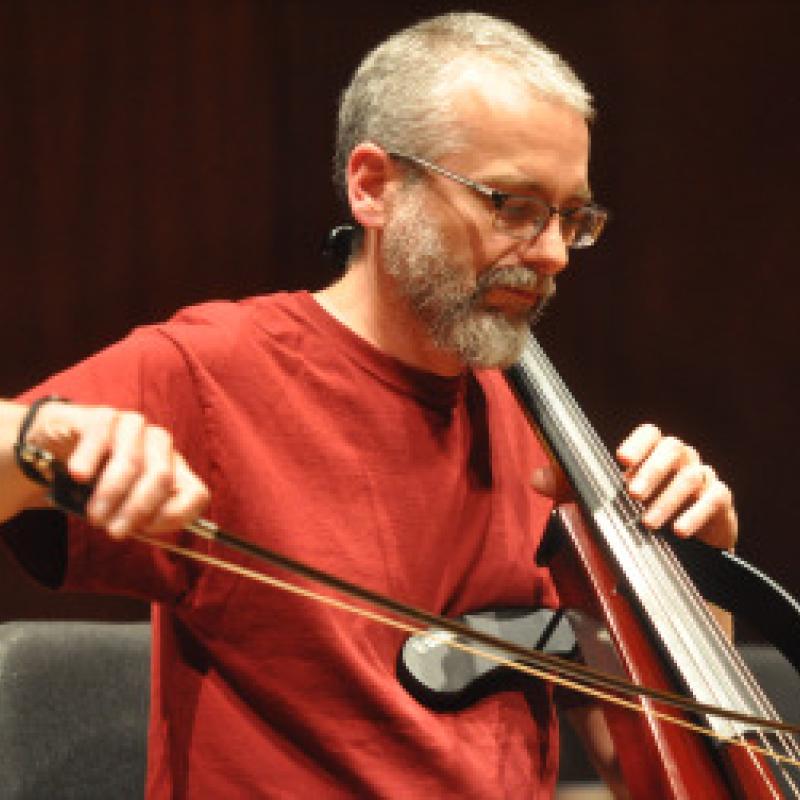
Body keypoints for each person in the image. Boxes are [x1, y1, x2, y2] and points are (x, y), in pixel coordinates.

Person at [0, 12, 736, 799]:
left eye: (571, 217)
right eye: (512, 205)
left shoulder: (537, 430)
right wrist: (35, 437)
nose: (553, 251)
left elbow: (648, 772)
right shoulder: (216, 371)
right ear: (374, 186)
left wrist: (698, 574)